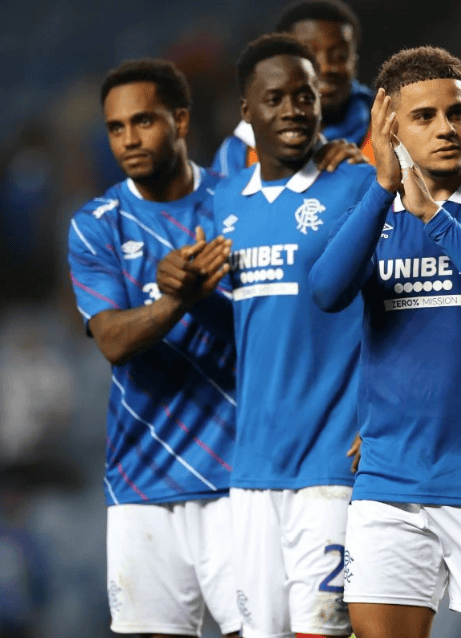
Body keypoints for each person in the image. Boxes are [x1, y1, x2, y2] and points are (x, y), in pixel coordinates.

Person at [310, 45, 461, 638]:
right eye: (424, 116)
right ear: (390, 128)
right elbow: (326, 291)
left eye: (457, 112)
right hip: (390, 483)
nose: (446, 127)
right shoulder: (373, 213)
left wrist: (433, 218)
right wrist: (383, 190)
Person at [175, 33, 373, 638]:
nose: (293, 109)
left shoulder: (358, 186)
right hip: (255, 467)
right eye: (276, 98)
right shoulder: (222, 203)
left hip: (333, 462)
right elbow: (241, 326)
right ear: (247, 111)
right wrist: (191, 297)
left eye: (304, 96)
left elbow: (401, 308)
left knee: (323, 632)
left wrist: (386, 413)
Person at [66, 58, 240, 638]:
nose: (129, 139)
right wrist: (178, 299)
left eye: (143, 121)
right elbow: (113, 340)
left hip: (238, 476)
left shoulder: (237, 205)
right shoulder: (97, 224)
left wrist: (194, 299)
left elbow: (265, 332)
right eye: (115, 128)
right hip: (141, 482)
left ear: (180, 120)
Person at [213, 0, 373, 176]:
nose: (326, 67)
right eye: (309, 54)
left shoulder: (387, 132)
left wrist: (367, 178)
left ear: (354, 61)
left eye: (339, 56)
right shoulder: (241, 150)